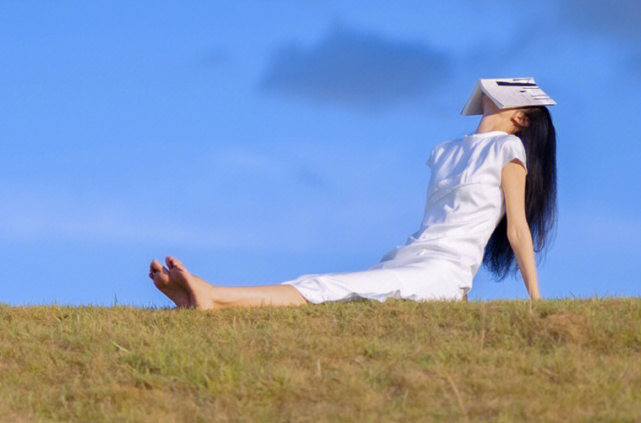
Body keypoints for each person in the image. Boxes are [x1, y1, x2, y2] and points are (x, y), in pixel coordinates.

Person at [149, 79, 557, 308]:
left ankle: (212, 295)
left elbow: (517, 229)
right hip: (411, 255)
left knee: (329, 287)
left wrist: (536, 301)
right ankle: (206, 300)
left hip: (442, 272)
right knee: (330, 284)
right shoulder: (445, 152)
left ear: (520, 117)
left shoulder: (509, 149)